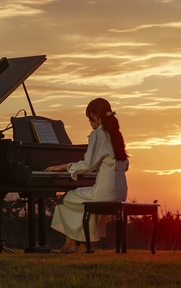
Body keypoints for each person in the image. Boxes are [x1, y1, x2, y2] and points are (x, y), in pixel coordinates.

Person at [45, 98, 129, 253]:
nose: (90, 123)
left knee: (66, 199)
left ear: (96, 116)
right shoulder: (116, 135)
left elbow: (87, 165)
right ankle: (84, 244)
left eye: (90, 119)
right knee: (83, 203)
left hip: (104, 192)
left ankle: (71, 243)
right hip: (120, 192)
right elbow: (126, 165)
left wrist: (65, 166)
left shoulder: (97, 134)